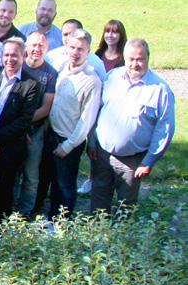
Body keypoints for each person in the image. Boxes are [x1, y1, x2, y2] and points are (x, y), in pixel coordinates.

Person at [89, 39, 174, 211]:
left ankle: (122, 237)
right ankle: (96, 235)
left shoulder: (160, 90)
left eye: (140, 59)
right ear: (124, 59)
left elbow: (164, 129)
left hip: (132, 161)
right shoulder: (112, 77)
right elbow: (96, 110)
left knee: (126, 204)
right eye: (131, 59)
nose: (135, 63)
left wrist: (149, 160)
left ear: (148, 58)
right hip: (102, 153)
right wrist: (91, 142)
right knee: (99, 196)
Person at [0, 38, 39, 224]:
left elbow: (24, 120)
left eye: (14, 55)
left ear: (23, 56)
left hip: (9, 146)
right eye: (6, 55)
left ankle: (0, 227)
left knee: (5, 187)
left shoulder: (31, 84)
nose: (10, 59)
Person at [46, 29, 102, 217]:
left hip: (69, 140)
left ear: (88, 51)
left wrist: (68, 145)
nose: (75, 52)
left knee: (66, 185)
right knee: (54, 181)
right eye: (72, 47)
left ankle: (63, 221)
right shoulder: (61, 69)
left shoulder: (91, 81)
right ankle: (53, 216)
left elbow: (87, 120)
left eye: (80, 49)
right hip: (52, 134)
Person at [14, 31, 58, 215]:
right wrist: (17, 128)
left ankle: (25, 212)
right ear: (26, 46)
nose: (37, 49)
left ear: (46, 48)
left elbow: (46, 108)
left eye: (41, 45)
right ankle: (9, 209)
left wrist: (23, 124)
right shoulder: (17, 67)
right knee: (13, 173)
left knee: (31, 175)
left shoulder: (50, 73)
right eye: (33, 44)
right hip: (15, 130)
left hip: (35, 131)